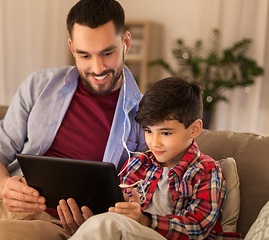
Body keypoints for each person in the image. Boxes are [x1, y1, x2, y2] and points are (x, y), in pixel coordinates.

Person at [0, 0, 147, 239]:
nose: (97, 68)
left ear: (125, 42)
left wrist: (95, 222)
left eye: (107, 53)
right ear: (72, 47)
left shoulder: (146, 116)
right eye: (85, 55)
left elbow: (141, 203)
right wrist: (5, 188)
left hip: (57, 224)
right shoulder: (40, 85)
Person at [69, 77, 237, 239]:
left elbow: (198, 228)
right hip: (124, 233)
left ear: (194, 129)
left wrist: (144, 220)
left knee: (110, 224)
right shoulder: (137, 164)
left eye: (165, 133)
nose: (154, 142)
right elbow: (110, 209)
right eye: (148, 131)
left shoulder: (206, 171)